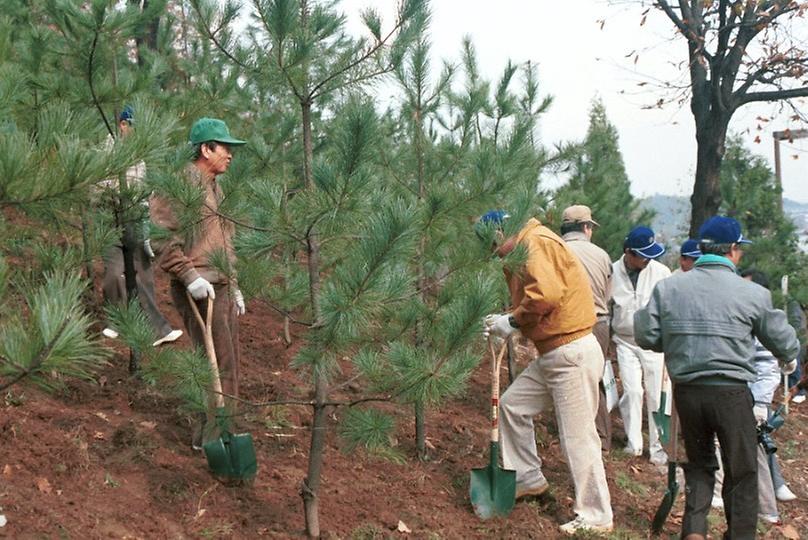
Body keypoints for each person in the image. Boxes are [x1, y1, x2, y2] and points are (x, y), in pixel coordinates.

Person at [635, 215, 799, 539]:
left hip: (688, 393)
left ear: (702, 250)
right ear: (733, 250)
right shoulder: (751, 293)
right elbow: (786, 343)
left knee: (698, 465)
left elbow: (646, 335)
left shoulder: (669, 288)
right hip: (731, 394)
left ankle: (695, 531)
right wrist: (789, 359)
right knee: (741, 472)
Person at [481, 211, 613, 535]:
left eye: (494, 244)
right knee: (512, 406)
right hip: (554, 352)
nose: (496, 252)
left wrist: (510, 322)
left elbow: (547, 295)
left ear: (502, 231)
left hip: (571, 352)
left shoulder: (535, 242)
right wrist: (507, 318)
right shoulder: (528, 244)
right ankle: (527, 479)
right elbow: (538, 295)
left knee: (578, 438)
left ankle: (596, 516)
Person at [150, 117, 247, 449]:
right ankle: (213, 440)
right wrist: (190, 277)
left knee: (227, 362)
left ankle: (220, 433)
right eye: (224, 147)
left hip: (219, 284)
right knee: (214, 365)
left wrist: (233, 284)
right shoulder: (181, 185)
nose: (230, 154)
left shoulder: (215, 187)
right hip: (199, 287)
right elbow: (162, 239)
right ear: (206, 149)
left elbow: (224, 242)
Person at [100, 105, 182, 347]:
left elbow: (147, 191)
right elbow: (99, 187)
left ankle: (158, 331)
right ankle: (117, 321)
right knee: (114, 275)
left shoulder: (141, 157)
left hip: (137, 219)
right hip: (112, 219)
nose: (137, 131)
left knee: (144, 276)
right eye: (133, 125)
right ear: (122, 125)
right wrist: (121, 195)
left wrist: (149, 225)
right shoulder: (107, 152)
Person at [610, 225, 671, 465]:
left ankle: (659, 448)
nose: (648, 259)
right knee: (633, 391)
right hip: (625, 341)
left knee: (657, 396)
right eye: (643, 255)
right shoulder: (612, 271)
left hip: (654, 344)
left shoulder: (661, 271)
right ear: (628, 252)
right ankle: (633, 443)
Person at [559, 205, 614, 451]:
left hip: (565, 324)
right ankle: (601, 438)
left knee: (564, 380)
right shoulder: (601, 255)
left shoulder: (555, 250)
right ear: (586, 227)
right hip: (597, 323)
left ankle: (571, 437)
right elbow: (608, 295)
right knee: (596, 380)